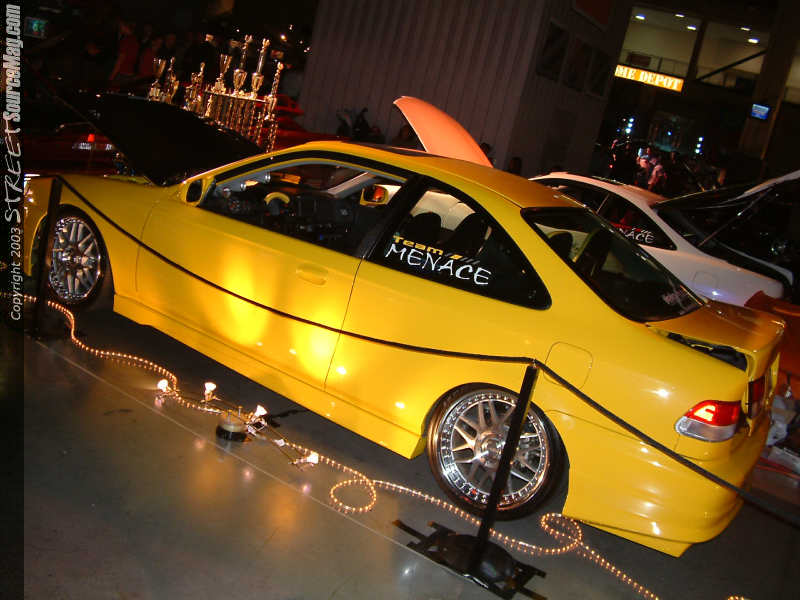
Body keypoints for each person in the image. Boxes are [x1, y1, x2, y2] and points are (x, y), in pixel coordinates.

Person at [108, 19, 140, 88]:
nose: (119, 27)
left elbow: (120, 60)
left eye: (121, 25)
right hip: (130, 75)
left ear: (125, 26)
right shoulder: (135, 40)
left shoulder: (126, 40)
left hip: (121, 75)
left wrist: (112, 76)